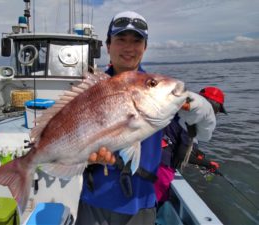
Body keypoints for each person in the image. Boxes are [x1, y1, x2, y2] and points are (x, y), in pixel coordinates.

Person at [75, 11, 216, 225]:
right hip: (92, 201)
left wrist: (202, 109)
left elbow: (205, 134)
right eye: (121, 39)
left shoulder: (159, 90)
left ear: (145, 47)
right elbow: (71, 142)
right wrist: (86, 157)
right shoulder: (89, 91)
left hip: (139, 206)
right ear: (108, 45)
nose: (129, 48)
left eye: (137, 41)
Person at [154, 86, 227, 204]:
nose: (216, 114)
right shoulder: (191, 122)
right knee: (153, 204)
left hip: (150, 158)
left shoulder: (178, 113)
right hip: (161, 167)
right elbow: (182, 155)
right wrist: (208, 164)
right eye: (217, 110)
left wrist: (196, 153)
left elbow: (177, 139)